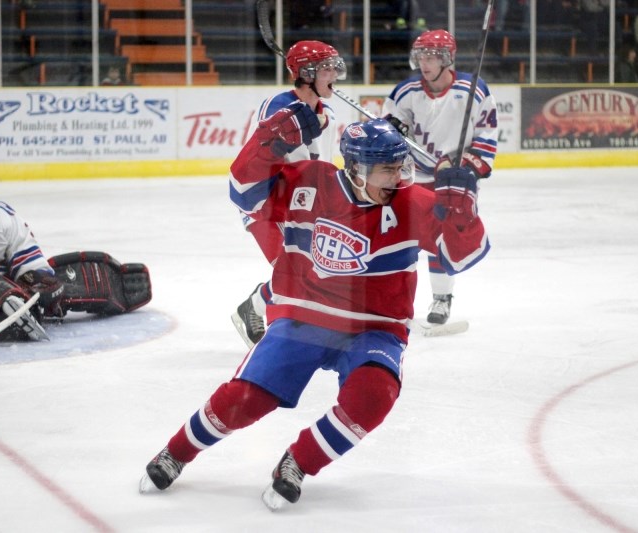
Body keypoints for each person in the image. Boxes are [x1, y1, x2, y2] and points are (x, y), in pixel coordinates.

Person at [139, 105, 490, 510]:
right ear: (357, 169)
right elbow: (243, 189)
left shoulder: (412, 202)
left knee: (374, 396)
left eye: (400, 167)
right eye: (387, 170)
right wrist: (267, 142)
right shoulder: (309, 182)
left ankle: (298, 462)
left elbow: (462, 257)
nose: (399, 177)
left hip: (374, 327)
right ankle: (176, 452)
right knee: (244, 400)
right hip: (303, 315)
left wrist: (464, 214)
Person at [0, 170, 151, 340]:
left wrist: (34, 277)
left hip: (6, 278)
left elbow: (22, 248)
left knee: (53, 290)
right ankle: (12, 306)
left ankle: (28, 302)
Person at [231, 40, 346, 348]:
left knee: (313, 269)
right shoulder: (277, 106)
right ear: (307, 73)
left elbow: (321, 165)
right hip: (268, 202)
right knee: (298, 269)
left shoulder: (330, 115)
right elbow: (267, 154)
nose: (335, 72)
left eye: (335, 66)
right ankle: (255, 308)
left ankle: (260, 307)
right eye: (327, 68)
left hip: (302, 203)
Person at [382, 29, 497, 325]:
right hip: (411, 176)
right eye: (420, 56)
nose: (424, 62)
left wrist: (465, 167)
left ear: (447, 59)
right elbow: (388, 133)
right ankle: (395, 301)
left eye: (431, 56)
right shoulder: (404, 92)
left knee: (442, 237)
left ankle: (442, 297)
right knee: (399, 239)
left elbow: (487, 135)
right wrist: (393, 128)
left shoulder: (474, 90)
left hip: (452, 179)